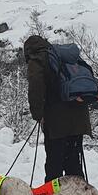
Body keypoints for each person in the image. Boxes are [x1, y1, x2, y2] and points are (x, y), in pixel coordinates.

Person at [24, 34, 92, 183]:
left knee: (54, 163)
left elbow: (35, 88)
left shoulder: (38, 60)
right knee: (73, 160)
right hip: (79, 117)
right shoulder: (65, 57)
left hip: (57, 121)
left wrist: (38, 114)